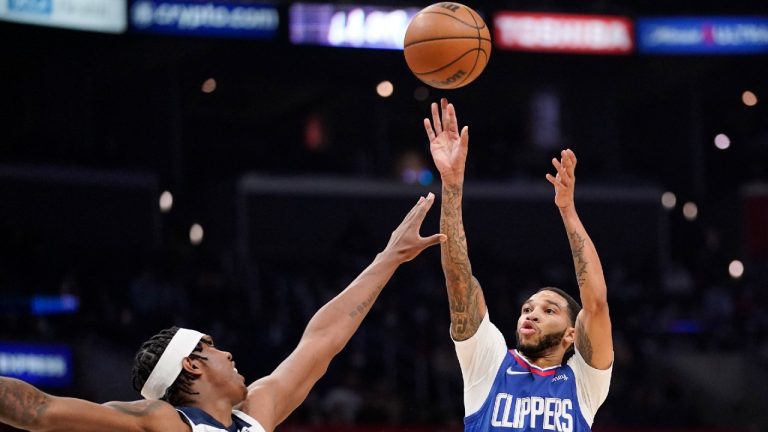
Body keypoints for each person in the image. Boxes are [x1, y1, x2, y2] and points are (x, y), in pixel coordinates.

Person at [0, 193, 446, 432]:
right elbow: (38, 410)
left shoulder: (257, 412)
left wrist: (388, 258)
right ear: (190, 365)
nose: (230, 355)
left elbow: (321, 341)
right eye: (211, 348)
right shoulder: (161, 422)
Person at [424, 99, 613, 431]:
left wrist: (567, 211)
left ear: (572, 335)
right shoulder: (490, 362)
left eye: (549, 310)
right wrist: (452, 187)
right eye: (528, 308)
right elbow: (458, 278)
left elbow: (595, 303)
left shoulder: (583, 383)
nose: (532, 313)